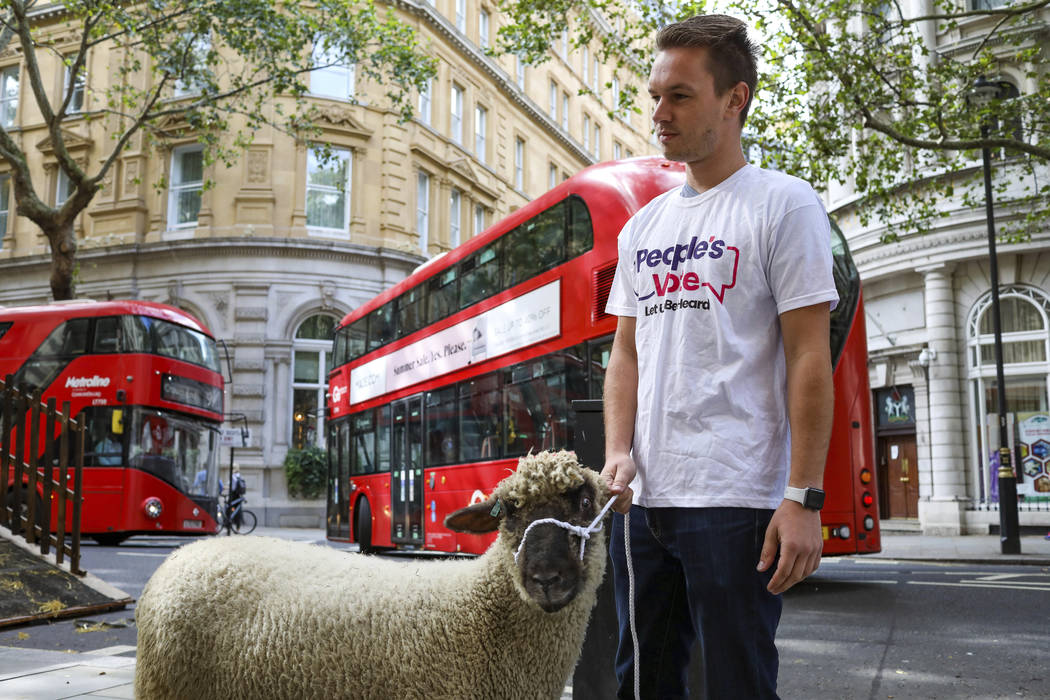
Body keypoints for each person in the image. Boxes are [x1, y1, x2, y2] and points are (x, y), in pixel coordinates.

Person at [600, 14, 838, 699]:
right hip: (644, 502)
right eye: (655, 96)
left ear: (735, 100)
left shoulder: (784, 205)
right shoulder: (643, 227)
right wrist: (619, 450)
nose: (658, 114)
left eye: (679, 95)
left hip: (738, 500)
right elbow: (626, 355)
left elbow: (808, 358)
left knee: (739, 685)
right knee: (641, 684)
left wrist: (802, 498)